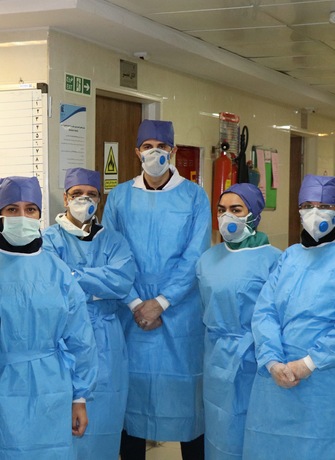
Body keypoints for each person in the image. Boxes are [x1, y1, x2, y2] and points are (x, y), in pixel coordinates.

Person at [243, 175, 335, 460]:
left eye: (324, 206)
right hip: (279, 378)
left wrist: (310, 362)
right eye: (307, 205)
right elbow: (265, 311)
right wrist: (272, 361)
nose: (314, 212)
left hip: (332, 383)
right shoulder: (291, 256)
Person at [103, 119, 212, 460]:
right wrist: (135, 301)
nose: (155, 153)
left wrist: (162, 301)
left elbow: (195, 254)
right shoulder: (120, 197)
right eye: (148, 147)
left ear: (173, 151)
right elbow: (110, 253)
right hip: (131, 313)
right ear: (137, 152)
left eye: (162, 147)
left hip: (179, 312)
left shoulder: (194, 196)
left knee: (186, 404)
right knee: (131, 403)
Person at [0, 176, 98, 460]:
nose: (22, 216)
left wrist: (79, 397)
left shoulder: (57, 270)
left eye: (30, 209)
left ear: (39, 215)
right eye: (12, 209)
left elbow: (81, 339)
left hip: (52, 389)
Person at [42, 167, 136, 460]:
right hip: (63, 335)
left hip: (107, 338)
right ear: (65, 198)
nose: (84, 199)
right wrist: (99, 285)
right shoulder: (47, 239)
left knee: (105, 420)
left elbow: (122, 281)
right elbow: (52, 283)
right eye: (77, 194)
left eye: (91, 194)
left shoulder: (115, 241)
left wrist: (73, 276)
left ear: (100, 200)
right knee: (62, 427)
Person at [195, 184, 281, 460]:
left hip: (256, 358)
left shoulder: (274, 259)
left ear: (253, 214)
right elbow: (204, 308)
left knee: (253, 429)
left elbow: (279, 316)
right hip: (216, 357)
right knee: (219, 428)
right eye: (221, 210)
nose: (227, 216)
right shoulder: (208, 258)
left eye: (236, 210)